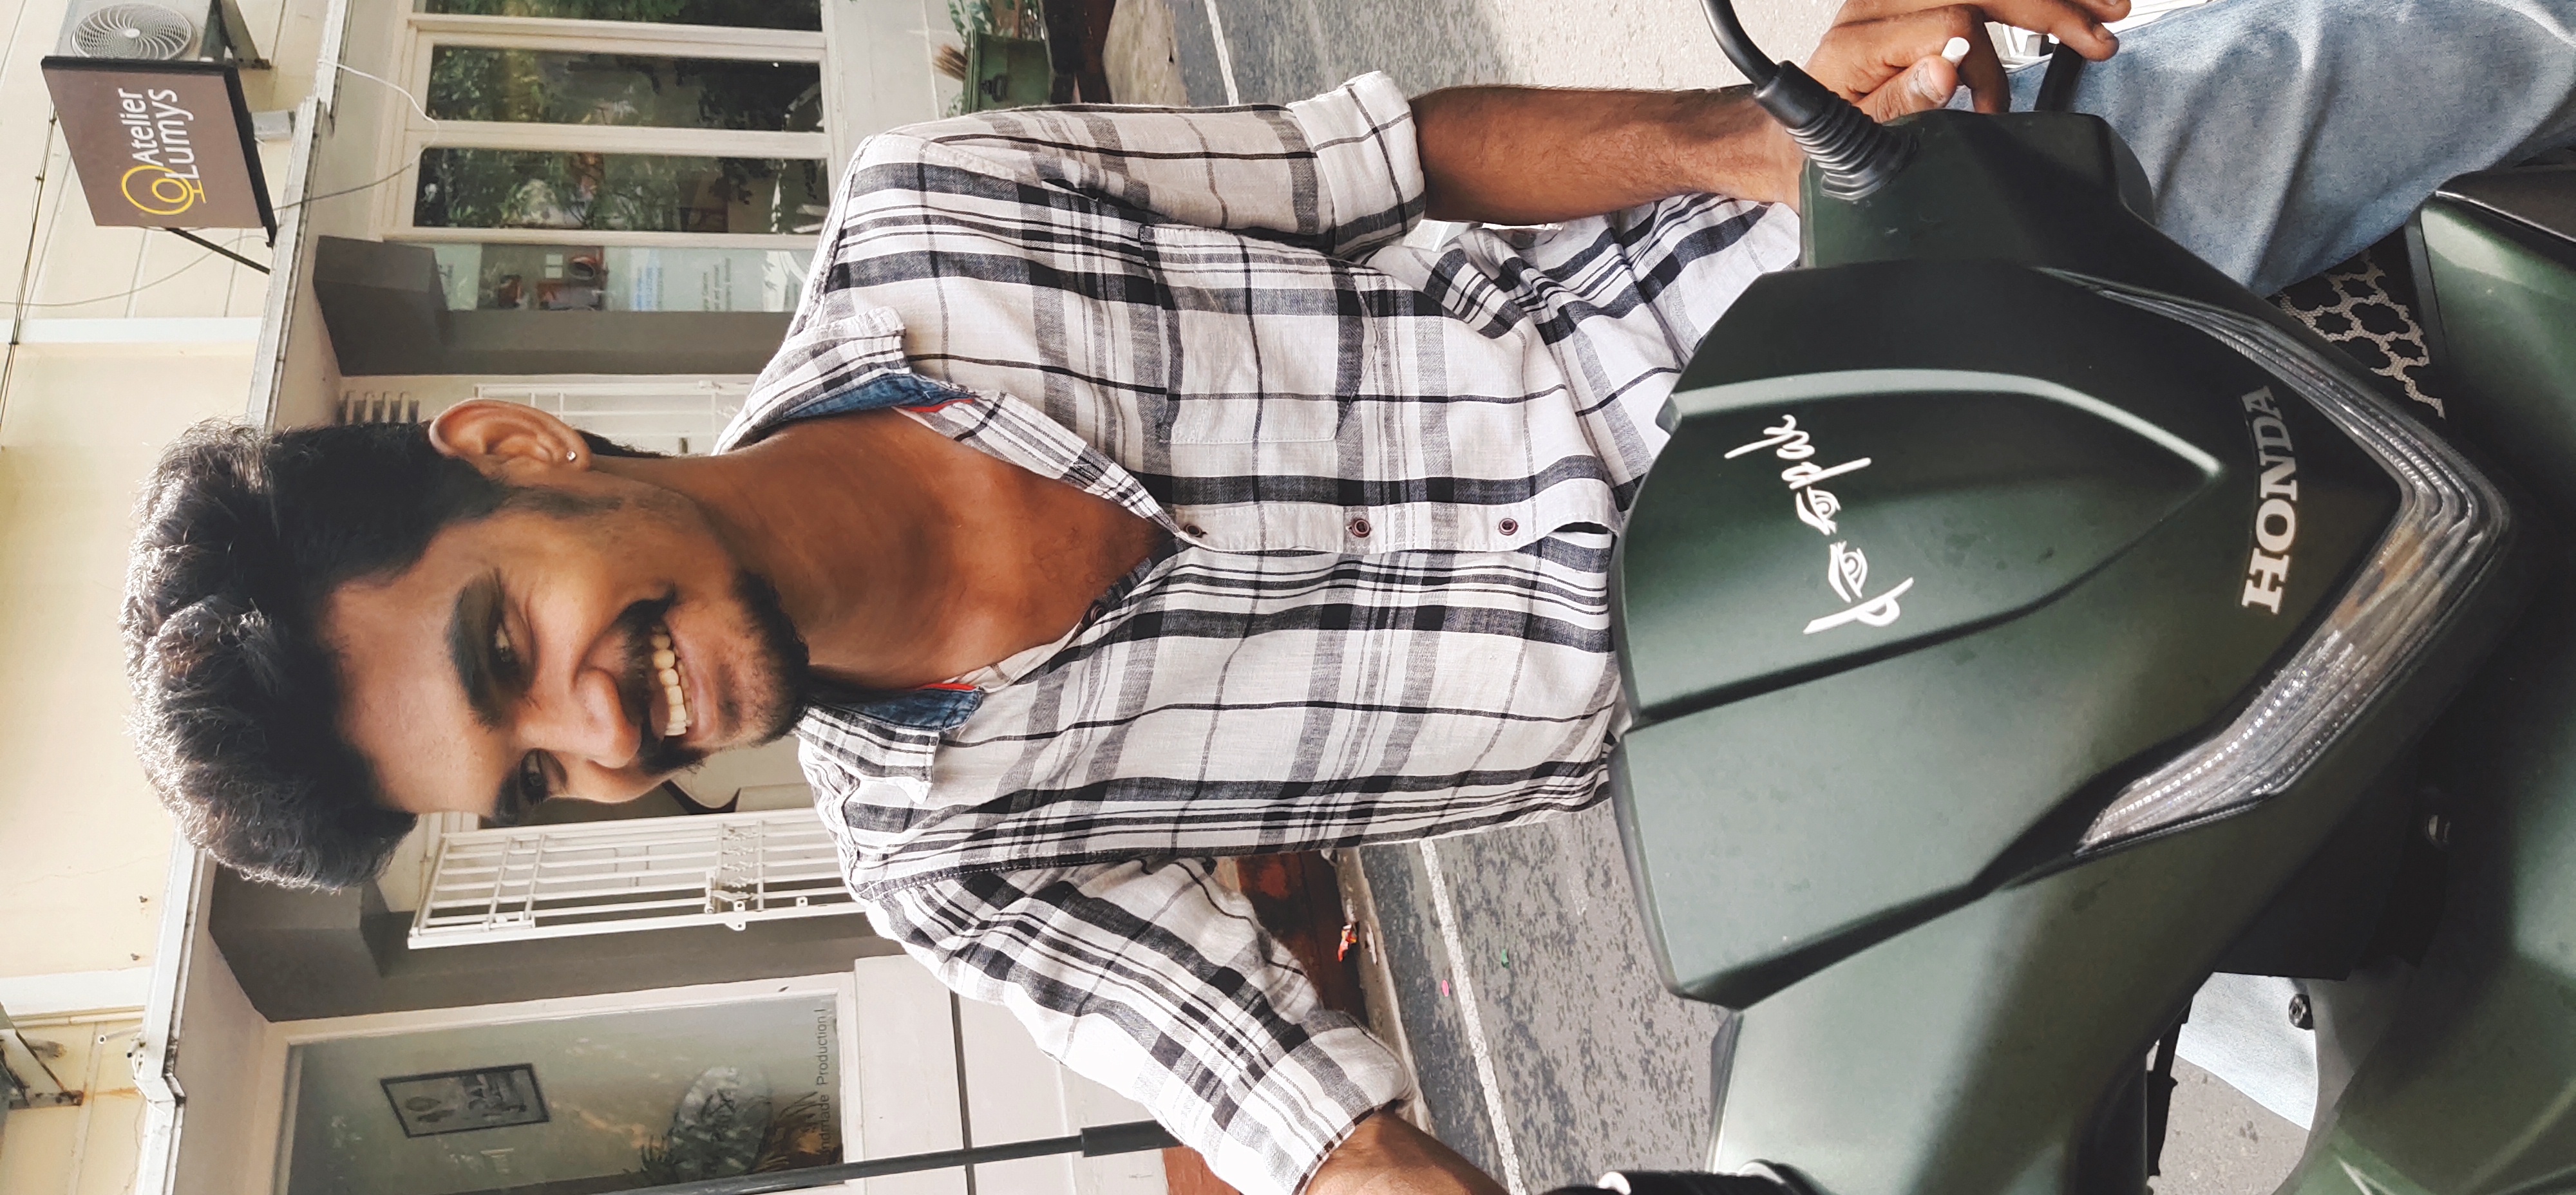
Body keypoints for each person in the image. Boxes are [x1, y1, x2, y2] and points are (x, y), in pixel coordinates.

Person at [120, 0, 2576, 1191]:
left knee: (2445, 41)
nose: (601, 729)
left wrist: (1766, 135)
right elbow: (1294, 1117)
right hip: (1840, 742)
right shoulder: (940, 860)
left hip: (1810, 326)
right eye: (533, 774)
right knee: (2403, 1062)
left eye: (509, 648)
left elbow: (1380, 156)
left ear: (517, 453)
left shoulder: (937, 220)